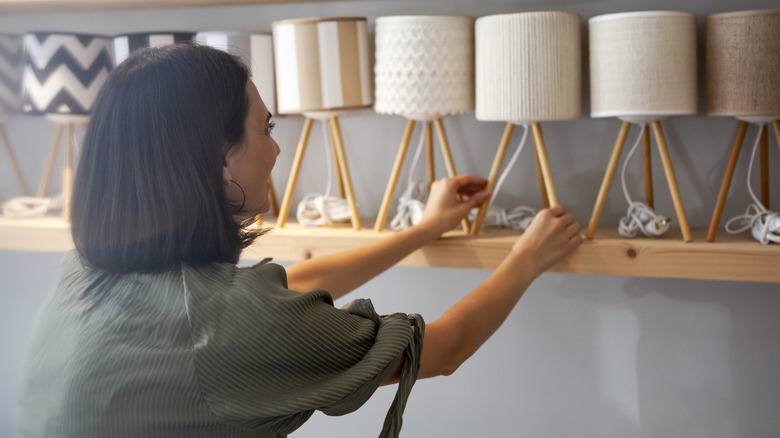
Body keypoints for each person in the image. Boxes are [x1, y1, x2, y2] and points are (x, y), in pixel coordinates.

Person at [16, 44, 581, 438]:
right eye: (266, 128)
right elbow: (443, 349)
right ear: (215, 160)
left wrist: (422, 231)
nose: (276, 150)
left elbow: (279, 296)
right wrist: (528, 258)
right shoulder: (224, 326)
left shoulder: (88, 273)